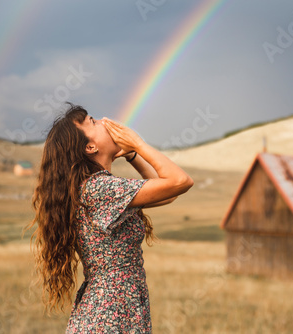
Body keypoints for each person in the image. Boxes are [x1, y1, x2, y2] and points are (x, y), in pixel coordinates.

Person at [24, 103, 193, 333]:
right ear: (91, 147)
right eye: (93, 121)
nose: (104, 120)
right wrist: (138, 143)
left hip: (114, 310)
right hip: (108, 315)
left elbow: (167, 195)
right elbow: (180, 182)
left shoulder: (97, 188)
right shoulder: (99, 189)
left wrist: (133, 155)